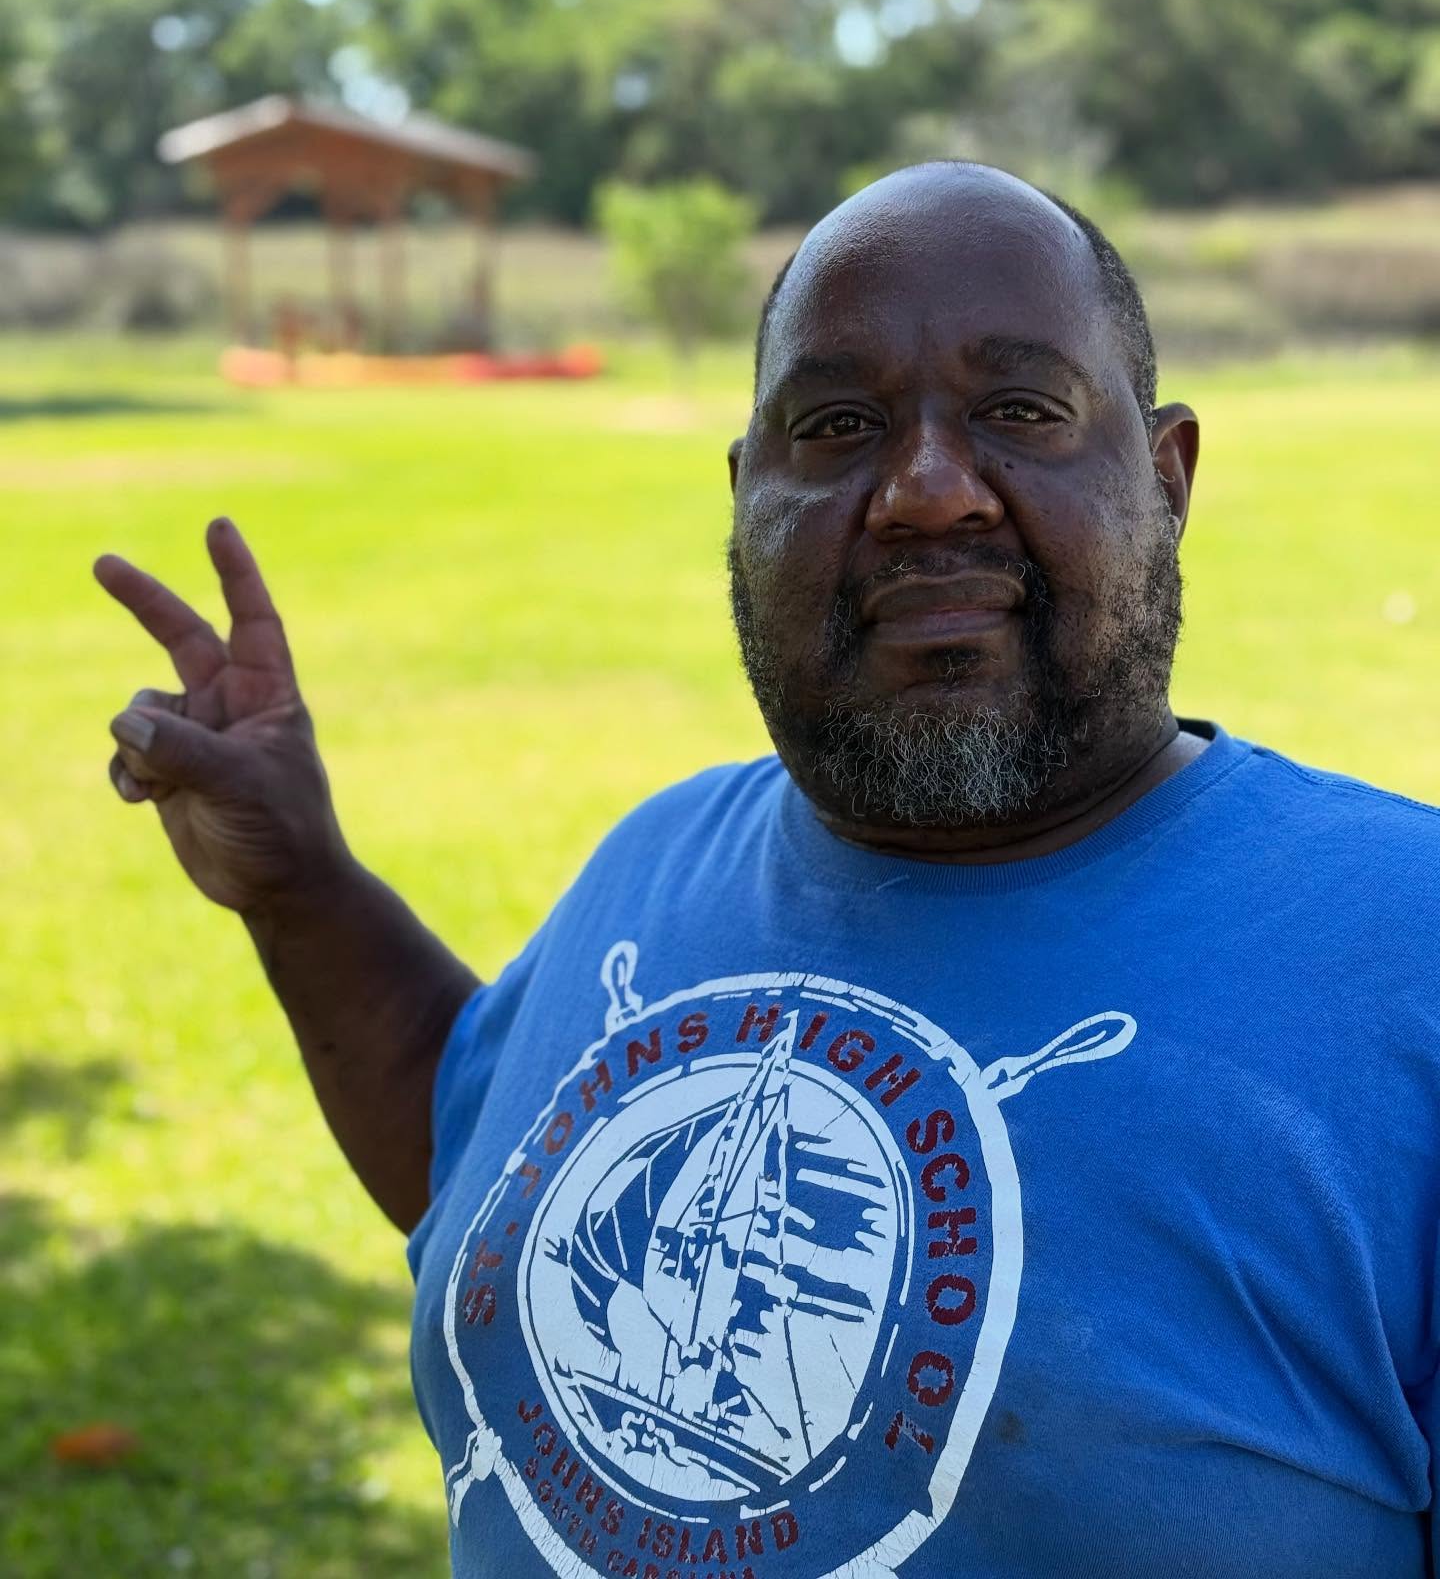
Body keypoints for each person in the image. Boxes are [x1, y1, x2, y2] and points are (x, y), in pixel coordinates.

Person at [96, 163, 1440, 1579]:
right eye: (839, 425)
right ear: (746, 498)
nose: (927, 492)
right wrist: (302, 889)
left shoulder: (1403, 953)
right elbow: (473, 1174)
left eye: (1020, 410)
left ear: (1166, 479)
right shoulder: (660, 855)